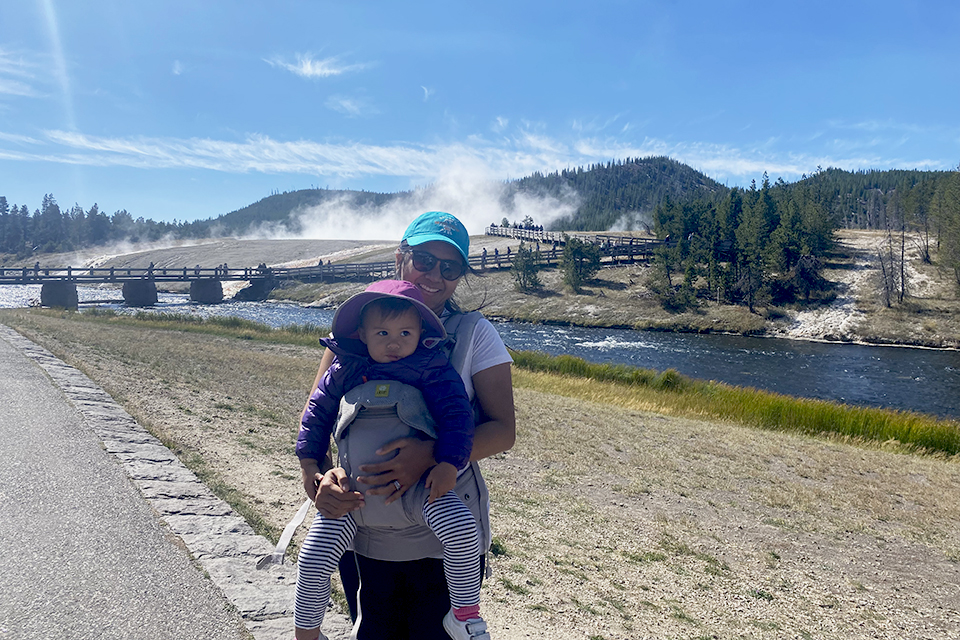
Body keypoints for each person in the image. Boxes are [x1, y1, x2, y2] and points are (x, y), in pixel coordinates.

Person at [302, 211, 515, 640]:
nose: (435, 275)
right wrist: (319, 476)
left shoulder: (474, 333)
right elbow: (317, 412)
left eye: (450, 267)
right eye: (425, 260)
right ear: (401, 257)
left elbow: (503, 430)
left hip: (437, 529)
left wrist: (432, 457)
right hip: (362, 523)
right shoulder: (356, 335)